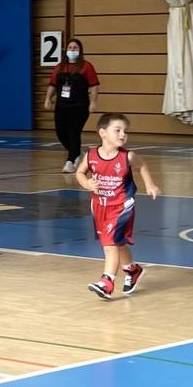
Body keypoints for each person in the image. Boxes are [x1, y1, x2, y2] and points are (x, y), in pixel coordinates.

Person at [75, 113, 161, 300]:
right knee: (118, 243)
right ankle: (132, 270)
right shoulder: (90, 155)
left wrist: (150, 184)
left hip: (122, 206)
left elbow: (142, 166)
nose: (123, 134)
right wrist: (87, 183)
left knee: (110, 244)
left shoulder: (127, 157)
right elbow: (80, 173)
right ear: (102, 133)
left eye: (125, 131)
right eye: (118, 130)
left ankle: (107, 282)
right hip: (99, 205)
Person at [47, 42, 102, 174]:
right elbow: (53, 85)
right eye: (70, 48)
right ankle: (77, 152)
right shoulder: (59, 67)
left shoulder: (86, 67)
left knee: (73, 132)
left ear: (80, 50)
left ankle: (70, 161)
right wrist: (47, 98)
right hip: (61, 106)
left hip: (79, 106)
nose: (72, 50)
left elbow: (94, 86)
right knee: (61, 132)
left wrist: (93, 102)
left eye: (75, 48)